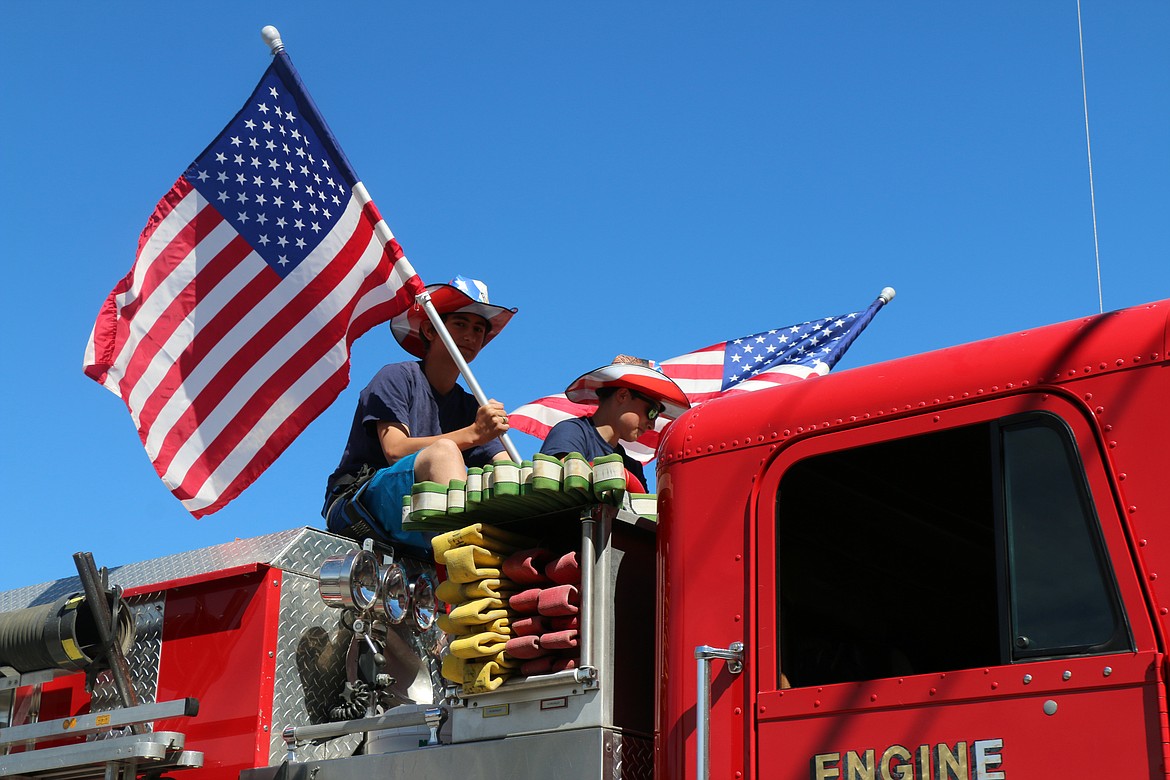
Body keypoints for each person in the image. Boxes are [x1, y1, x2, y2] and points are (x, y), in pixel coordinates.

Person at [323, 276, 517, 552]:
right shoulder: (396, 376)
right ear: (430, 330)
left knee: (508, 481)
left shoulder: (471, 405)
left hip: (422, 515)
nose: (470, 336)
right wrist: (474, 433)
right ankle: (473, 563)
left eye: (478, 329)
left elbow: (504, 466)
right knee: (444, 452)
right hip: (358, 505)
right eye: (460, 324)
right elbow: (395, 449)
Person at [540, 355, 690, 491]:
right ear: (623, 395)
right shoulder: (571, 433)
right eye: (651, 412)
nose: (651, 424)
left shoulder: (633, 468)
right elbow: (560, 490)